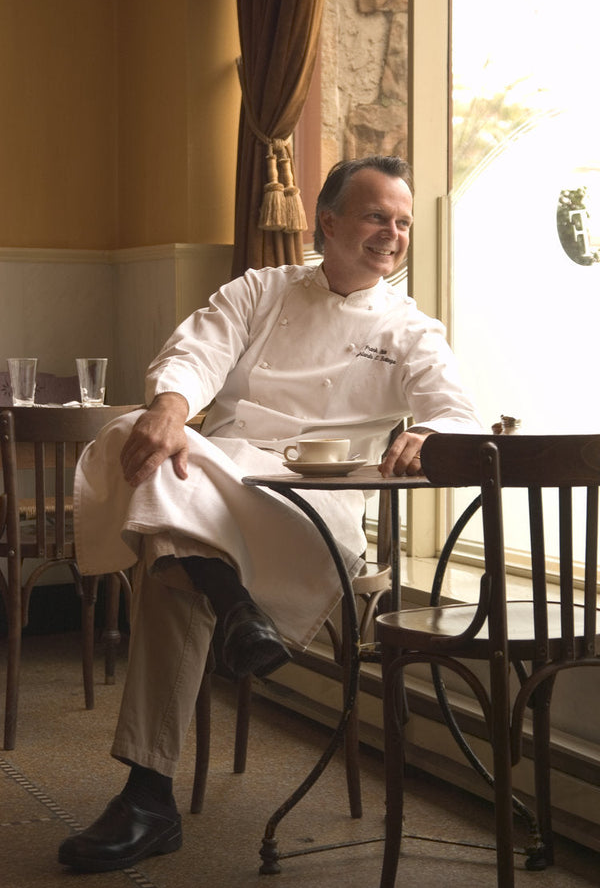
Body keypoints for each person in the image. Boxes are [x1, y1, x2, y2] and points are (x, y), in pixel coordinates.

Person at [58, 155, 482, 872]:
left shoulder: (411, 328)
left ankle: (148, 796)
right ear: (329, 221)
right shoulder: (262, 289)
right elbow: (199, 350)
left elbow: (456, 411)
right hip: (224, 475)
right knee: (146, 442)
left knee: (168, 557)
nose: (393, 233)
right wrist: (168, 407)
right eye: (378, 215)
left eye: (404, 222)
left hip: (322, 499)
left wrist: (433, 433)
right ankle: (235, 613)